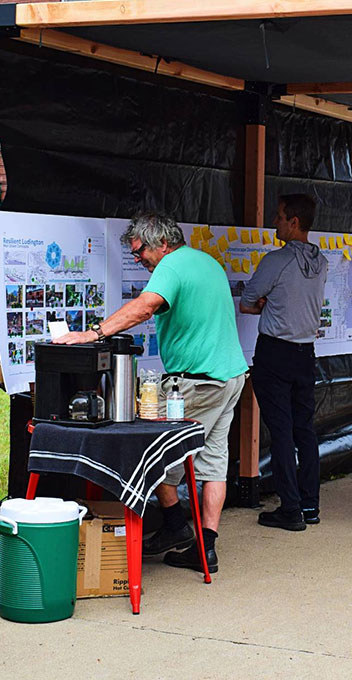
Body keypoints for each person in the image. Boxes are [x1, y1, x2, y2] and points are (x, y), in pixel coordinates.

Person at [54, 213, 248, 573]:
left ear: (161, 243)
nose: (138, 258)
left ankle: (175, 526)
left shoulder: (171, 266)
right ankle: (205, 548)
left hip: (197, 380)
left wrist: (93, 333)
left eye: (140, 250)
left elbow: (145, 306)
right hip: (231, 376)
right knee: (214, 463)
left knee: (153, 451)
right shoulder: (205, 261)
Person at [240, 194, 327, 531]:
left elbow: (248, 301)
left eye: (278, 217)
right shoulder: (321, 262)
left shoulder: (276, 260)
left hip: (275, 352)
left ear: (293, 222)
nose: (274, 223)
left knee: (280, 430)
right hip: (305, 353)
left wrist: (265, 303)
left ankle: (289, 508)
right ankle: (310, 505)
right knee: (304, 430)